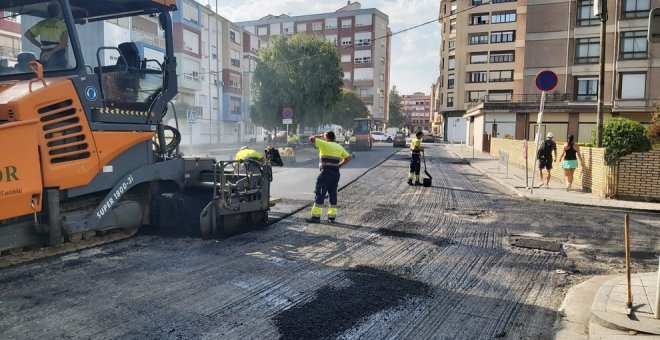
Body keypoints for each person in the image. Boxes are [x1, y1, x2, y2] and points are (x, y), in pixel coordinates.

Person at [306, 131, 352, 224]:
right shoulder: (339, 147)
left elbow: (311, 138)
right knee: (333, 194)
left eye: (324, 136)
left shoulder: (325, 144)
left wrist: (320, 136)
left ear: (326, 137)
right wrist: (339, 165)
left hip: (326, 173)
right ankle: (332, 217)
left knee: (320, 193)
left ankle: (315, 217)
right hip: (335, 173)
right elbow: (348, 158)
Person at [25, 3, 69, 70]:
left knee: (45, 74)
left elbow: (27, 34)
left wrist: (40, 46)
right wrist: (50, 53)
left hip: (44, 53)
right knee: (59, 75)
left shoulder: (42, 23)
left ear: (49, 12)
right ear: (60, 12)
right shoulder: (62, 25)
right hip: (57, 54)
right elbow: (64, 43)